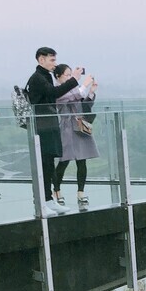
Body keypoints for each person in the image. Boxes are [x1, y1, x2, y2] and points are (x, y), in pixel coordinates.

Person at [25, 47, 89, 217]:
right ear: (41, 60)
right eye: (52, 60)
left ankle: (47, 200)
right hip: (43, 126)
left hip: (48, 125)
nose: (54, 63)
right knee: (44, 164)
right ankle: (42, 202)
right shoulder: (38, 78)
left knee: (48, 164)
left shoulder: (43, 76)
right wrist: (74, 79)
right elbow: (54, 93)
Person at [51, 64, 98, 207]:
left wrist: (91, 92)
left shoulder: (73, 90)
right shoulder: (58, 91)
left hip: (79, 126)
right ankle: (57, 191)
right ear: (58, 76)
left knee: (82, 161)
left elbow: (83, 104)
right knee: (64, 161)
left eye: (71, 74)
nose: (70, 77)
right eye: (67, 75)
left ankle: (81, 192)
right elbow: (73, 97)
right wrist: (83, 86)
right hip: (66, 128)